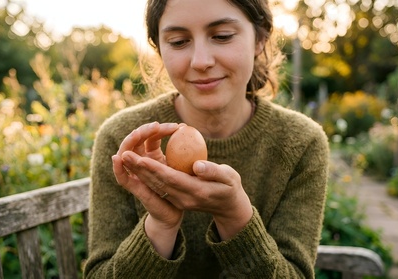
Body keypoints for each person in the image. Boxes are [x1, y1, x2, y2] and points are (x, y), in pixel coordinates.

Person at [83, 0, 329, 278]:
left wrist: (234, 216)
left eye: (222, 36)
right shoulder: (123, 140)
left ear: (260, 39)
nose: (201, 61)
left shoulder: (300, 143)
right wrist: (161, 225)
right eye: (178, 41)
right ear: (159, 49)